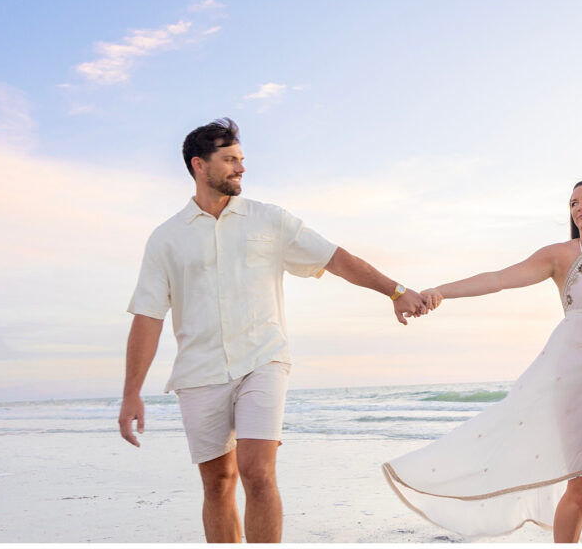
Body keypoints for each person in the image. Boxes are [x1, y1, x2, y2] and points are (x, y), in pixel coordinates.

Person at [117, 118, 429, 543]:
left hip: (263, 359)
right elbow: (148, 317)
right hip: (199, 372)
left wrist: (393, 290)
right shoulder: (166, 238)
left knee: (257, 473)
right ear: (199, 165)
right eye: (229, 160)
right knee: (218, 484)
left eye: (241, 160)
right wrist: (131, 392)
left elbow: (337, 258)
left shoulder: (270, 220)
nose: (241, 168)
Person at [383, 180, 582, 543]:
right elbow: (499, 279)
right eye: (573, 202)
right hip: (580, 387)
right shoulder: (560, 255)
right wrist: (441, 292)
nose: (579, 206)